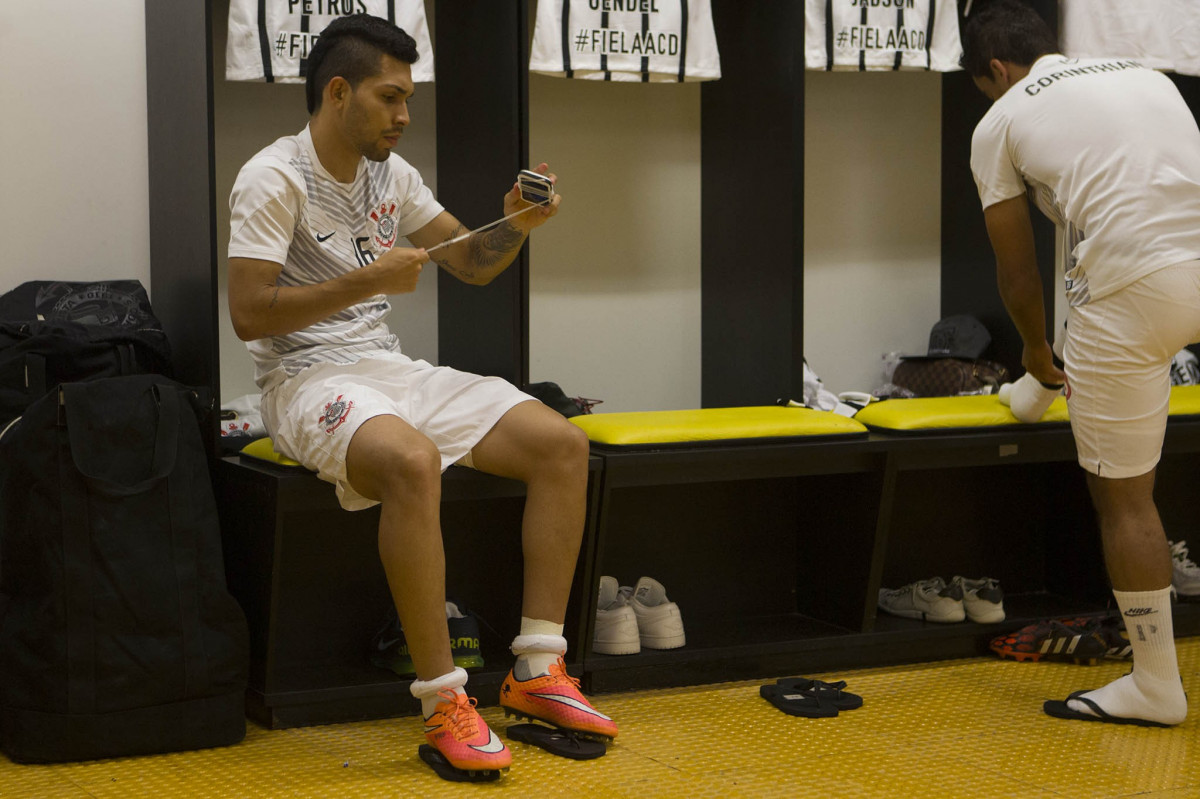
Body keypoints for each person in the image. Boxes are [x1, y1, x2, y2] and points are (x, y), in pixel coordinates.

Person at [225, 13, 617, 775]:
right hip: (305, 377)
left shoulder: (391, 174)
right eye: (390, 97)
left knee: (562, 444)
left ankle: (538, 669)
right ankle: (444, 702)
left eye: (409, 98)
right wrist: (369, 279)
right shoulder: (271, 177)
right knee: (413, 461)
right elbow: (249, 311)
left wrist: (516, 224)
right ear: (338, 92)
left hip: (387, 365)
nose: (404, 116)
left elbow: (469, 262)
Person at [962, 0, 1200, 727]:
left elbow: (1020, 273)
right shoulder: (1151, 76)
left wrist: (1036, 352)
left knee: (1126, 500)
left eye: (985, 84)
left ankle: (1156, 683)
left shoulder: (998, 122)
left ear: (997, 69)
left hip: (1130, 296)